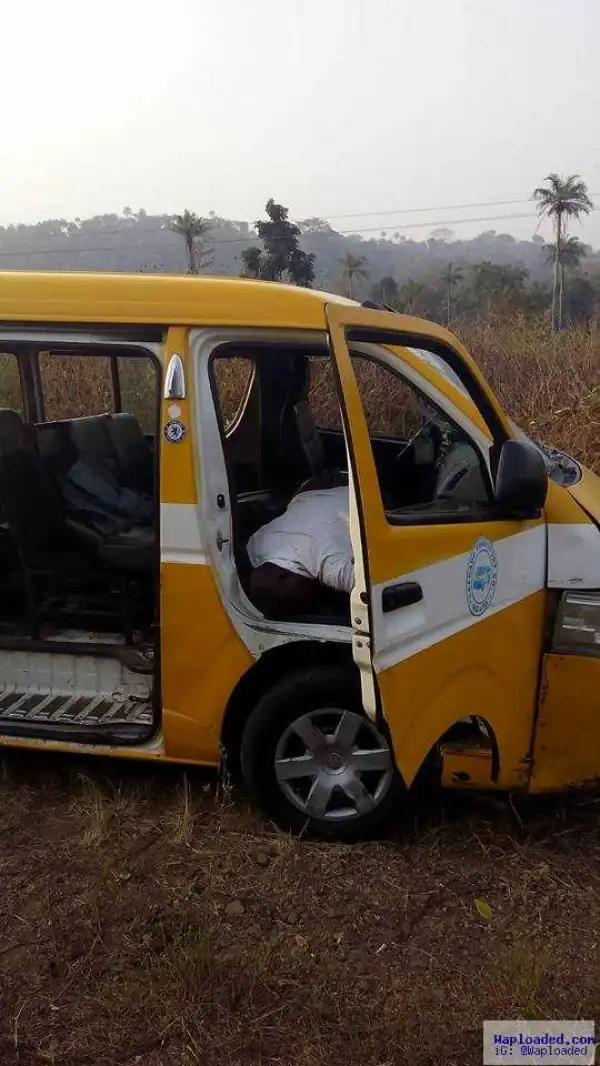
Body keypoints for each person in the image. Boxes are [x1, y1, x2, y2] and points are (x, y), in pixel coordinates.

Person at [246, 478, 353, 618]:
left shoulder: (331, 565)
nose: (300, 599)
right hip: (309, 491)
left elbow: (376, 590)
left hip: (358, 494)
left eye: (293, 599)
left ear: (283, 577)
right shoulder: (254, 546)